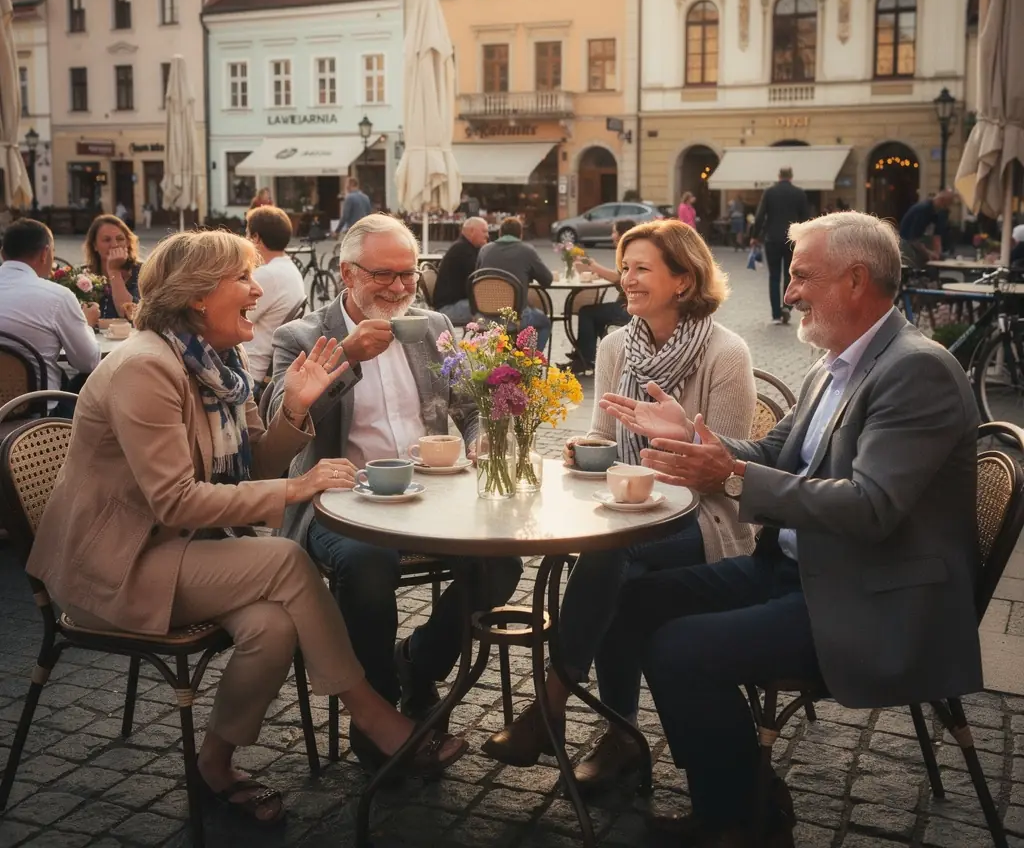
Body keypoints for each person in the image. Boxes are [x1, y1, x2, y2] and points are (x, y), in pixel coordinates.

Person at [26, 230, 467, 828]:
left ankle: (215, 764)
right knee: (286, 561)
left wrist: (296, 408)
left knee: (272, 622)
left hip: (180, 551)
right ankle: (374, 714)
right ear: (199, 295)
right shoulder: (145, 367)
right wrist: (297, 489)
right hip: (118, 563)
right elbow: (177, 500)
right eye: (243, 279)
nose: (259, 290)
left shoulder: (216, 362)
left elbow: (258, 461)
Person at [599, 211, 981, 847]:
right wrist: (695, 437)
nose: (789, 291)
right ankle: (746, 788)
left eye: (802, 275)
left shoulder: (916, 369)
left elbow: (871, 507)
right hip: (796, 571)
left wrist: (732, 477)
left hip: (868, 599)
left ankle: (736, 823)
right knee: (636, 602)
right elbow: (772, 453)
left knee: (680, 648)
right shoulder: (834, 362)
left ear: (856, 280)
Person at [483, 220, 756, 791]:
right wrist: (583, 451)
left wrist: (668, 451)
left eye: (641, 269)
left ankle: (552, 710)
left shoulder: (725, 354)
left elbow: (725, 476)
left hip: (703, 520)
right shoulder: (615, 346)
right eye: (624, 267)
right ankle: (620, 736)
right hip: (628, 509)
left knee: (612, 555)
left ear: (684, 279)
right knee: (615, 566)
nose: (626, 279)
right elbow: (604, 439)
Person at [269, 214, 522, 769]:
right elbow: (282, 428)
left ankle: (417, 663)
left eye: (408, 275)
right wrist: (346, 360)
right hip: (338, 503)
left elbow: (471, 408)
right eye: (384, 275)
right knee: (367, 564)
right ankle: (378, 720)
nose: (399, 288)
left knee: (503, 562)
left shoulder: (430, 326)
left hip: (431, 498)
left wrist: (481, 442)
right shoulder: (302, 337)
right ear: (346, 273)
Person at [0, 219, 100, 411]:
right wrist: (87, 324)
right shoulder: (57, 297)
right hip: (38, 417)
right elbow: (89, 362)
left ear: (3, 254)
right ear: (45, 254)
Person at [562, 218, 635, 373]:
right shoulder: (629, 251)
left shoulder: (628, 253)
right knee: (593, 313)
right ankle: (584, 357)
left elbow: (617, 278)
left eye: (614, 231)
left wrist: (593, 266)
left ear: (622, 234)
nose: (612, 236)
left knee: (587, 312)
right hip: (628, 305)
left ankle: (585, 358)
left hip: (627, 308)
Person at [244, 206, 306, 386]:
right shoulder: (289, 268)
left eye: (247, 234)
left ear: (256, 238)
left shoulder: (267, 275)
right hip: (269, 362)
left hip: (250, 367)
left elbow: (233, 318)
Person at [476, 217, 553, 352]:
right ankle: (530, 363)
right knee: (544, 322)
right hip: (516, 317)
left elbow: (476, 278)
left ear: (500, 233)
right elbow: (547, 280)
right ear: (521, 234)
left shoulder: (485, 250)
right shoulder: (527, 251)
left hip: (485, 315)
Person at [750, 166, 811, 325]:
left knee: (774, 276)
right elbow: (806, 218)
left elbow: (760, 216)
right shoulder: (799, 193)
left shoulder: (769, 192)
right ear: (791, 176)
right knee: (790, 275)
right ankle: (786, 306)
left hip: (772, 239)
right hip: (793, 240)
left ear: (779, 176)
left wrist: (755, 236)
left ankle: (776, 315)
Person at [83, 213, 142, 320]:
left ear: (128, 242)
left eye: (120, 239)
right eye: (107, 240)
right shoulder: (83, 276)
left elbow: (129, 315)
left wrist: (114, 271)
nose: (114, 244)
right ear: (95, 245)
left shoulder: (143, 272)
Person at [433, 216, 490, 325]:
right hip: (448, 309)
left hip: (455, 304)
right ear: (471, 231)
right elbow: (479, 284)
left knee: (495, 308)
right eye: (484, 231)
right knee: (495, 310)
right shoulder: (463, 251)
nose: (487, 235)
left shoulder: (465, 248)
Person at [899, 189, 956, 268]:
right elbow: (914, 239)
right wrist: (929, 253)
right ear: (941, 200)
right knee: (914, 270)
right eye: (946, 205)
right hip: (908, 245)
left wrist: (937, 253)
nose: (947, 208)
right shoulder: (923, 210)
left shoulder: (937, 212)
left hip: (920, 244)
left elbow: (937, 235)